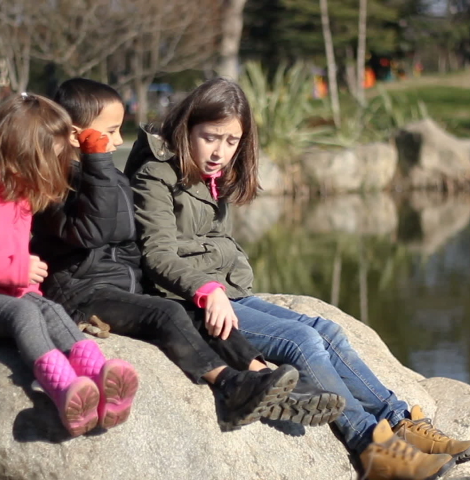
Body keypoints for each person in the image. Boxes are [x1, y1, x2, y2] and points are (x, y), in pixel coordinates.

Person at [126, 77, 470, 480]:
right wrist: (206, 290)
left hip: (224, 292)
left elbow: (209, 241)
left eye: (231, 141)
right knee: (301, 341)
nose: (220, 152)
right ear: (187, 125)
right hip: (181, 302)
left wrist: (221, 284)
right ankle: (373, 449)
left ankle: (399, 421)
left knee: (326, 329)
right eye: (211, 137)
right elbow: (156, 253)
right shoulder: (156, 171)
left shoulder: (208, 172)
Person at [29, 77, 345, 430]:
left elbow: (126, 238)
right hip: (81, 293)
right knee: (168, 312)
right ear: (77, 135)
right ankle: (229, 385)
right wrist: (98, 165)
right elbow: (97, 230)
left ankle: (263, 378)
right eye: (112, 131)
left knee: (196, 315)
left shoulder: (107, 177)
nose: (119, 140)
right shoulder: (56, 183)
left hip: (118, 287)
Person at [0, 93, 139, 437]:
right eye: (50, 155)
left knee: (51, 310)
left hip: (14, 292)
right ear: (24, 151)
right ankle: (63, 389)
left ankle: (102, 376)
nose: (56, 163)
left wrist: (23, 281)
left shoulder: (18, 190)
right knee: (24, 315)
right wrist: (16, 269)